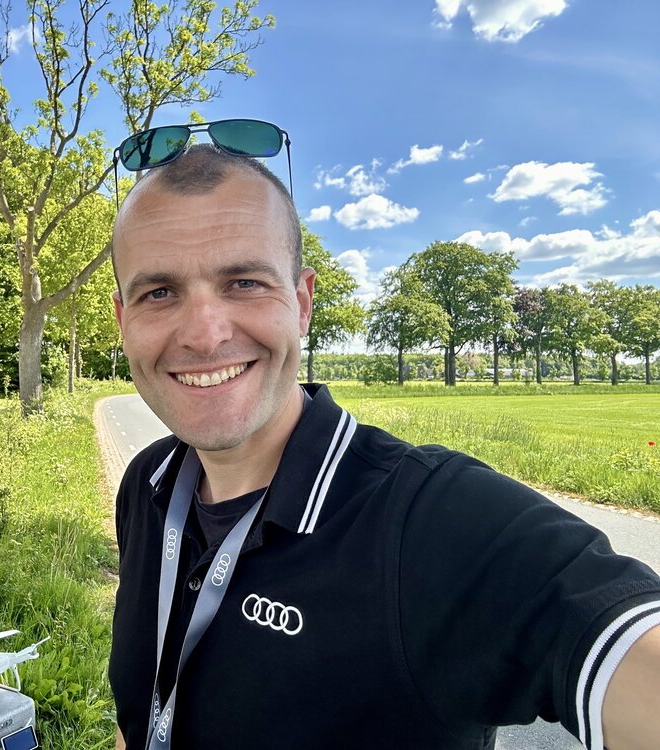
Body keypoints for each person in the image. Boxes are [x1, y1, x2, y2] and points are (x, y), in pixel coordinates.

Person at [106, 128, 660, 750]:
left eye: (244, 283)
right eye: (159, 292)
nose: (204, 335)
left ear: (302, 301)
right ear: (125, 321)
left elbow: (624, 644)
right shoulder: (147, 487)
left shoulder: (431, 520)